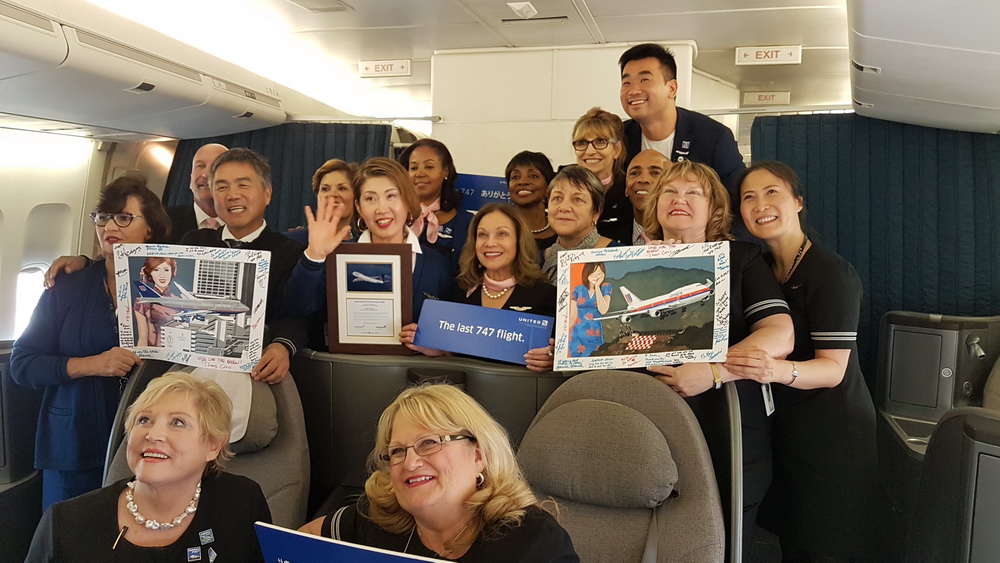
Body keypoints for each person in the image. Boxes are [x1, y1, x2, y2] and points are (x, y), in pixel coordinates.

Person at [642, 160, 794, 558]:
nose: (680, 200)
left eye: (694, 193)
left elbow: (780, 335)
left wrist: (714, 372)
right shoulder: (630, 263)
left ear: (715, 210)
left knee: (721, 543)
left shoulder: (741, 259)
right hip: (648, 430)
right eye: (671, 192)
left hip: (726, 428)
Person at [729, 161, 878, 561]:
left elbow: (834, 368)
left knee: (824, 547)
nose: (760, 204)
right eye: (748, 197)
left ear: (798, 202)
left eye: (771, 192)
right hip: (787, 430)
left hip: (833, 434)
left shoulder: (830, 273)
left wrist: (776, 369)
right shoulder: (757, 267)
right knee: (791, 542)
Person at [10, 177, 168, 509]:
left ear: (150, 229)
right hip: (72, 445)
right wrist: (93, 364)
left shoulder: (168, 288)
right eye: (102, 216)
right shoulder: (68, 286)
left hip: (147, 444)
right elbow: (22, 364)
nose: (110, 225)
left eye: (123, 217)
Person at [299, 383, 578, 562]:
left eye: (429, 443)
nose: (409, 463)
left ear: (478, 454)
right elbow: (295, 544)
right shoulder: (376, 519)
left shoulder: (534, 541)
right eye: (397, 451)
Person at [26, 372, 271, 561]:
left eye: (178, 422)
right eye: (144, 420)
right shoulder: (65, 523)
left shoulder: (243, 502)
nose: (153, 434)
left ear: (213, 446)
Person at [182, 148, 308, 384]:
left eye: (243, 185)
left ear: (267, 194)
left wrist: (282, 346)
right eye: (221, 187)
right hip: (193, 368)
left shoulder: (290, 252)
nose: (232, 195)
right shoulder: (193, 243)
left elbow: (295, 313)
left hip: (254, 373)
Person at [284, 157, 454, 323]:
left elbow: (449, 330)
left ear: (408, 201)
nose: (381, 209)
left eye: (391, 196)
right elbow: (298, 309)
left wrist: (431, 343)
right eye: (370, 199)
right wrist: (314, 255)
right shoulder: (337, 257)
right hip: (341, 353)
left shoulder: (438, 266)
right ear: (359, 207)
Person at [399, 203, 556, 372]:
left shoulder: (545, 295)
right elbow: (455, 351)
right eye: (482, 235)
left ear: (519, 240)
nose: (490, 243)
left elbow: (555, 356)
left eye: (502, 234)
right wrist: (434, 346)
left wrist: (553, 359)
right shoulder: (458, 292)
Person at [400, 139, 472, 272]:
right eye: (414, 168)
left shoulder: (466, 222)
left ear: (445, 171)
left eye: (429, 167)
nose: (420, 173)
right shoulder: (395, 217)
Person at [541, 165, 618, 283]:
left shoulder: (619, 257)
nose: (564, 207)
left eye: (577, 200)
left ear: (596, 212)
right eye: (557, 198)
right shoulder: (537, 260)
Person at [571, 107, 631, 245]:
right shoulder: (561, 185)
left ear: (617, 149)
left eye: (600, 142)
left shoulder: (629, 191)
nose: (590, 151)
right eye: (582, 143)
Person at [286, 158, 359, 245]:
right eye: (325, 189)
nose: (332, 194)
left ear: (356, 197)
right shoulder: (292, 240)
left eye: (342, 188)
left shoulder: (364, 243)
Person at [166, 143, 228, 243]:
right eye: (200, 166)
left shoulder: (247, 227)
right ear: (190, 178)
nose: (205, 175)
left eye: (216, 166)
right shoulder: (163, 221)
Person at [505, 151, 557, 256]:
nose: (522, 182)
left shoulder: (563, 230)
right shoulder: (500, 230)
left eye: (533, 176)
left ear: (548, 187)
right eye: (515, 177)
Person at [624, 149, 670, 245]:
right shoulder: (607, 240)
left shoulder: (688, 237)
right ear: (626, 189)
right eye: (635, 173)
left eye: (655, 173)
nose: (643, 179)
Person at [568, 262, 611, 357]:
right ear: (587, 273)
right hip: (577, 334)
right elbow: (572, 315)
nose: (596, 276)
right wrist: (563, 333)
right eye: (593, 273)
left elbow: (603, 310)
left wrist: (597, 287)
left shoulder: (606, 287)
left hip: (594, 333)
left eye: (599, 273)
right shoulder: (578, 289)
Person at [134, 257, 179, 347]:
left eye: (166, 270)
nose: (162, 275)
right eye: (156, 270)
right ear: (150, 272)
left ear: (173, 272)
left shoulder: (179, 302)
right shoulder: (141, 302)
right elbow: (142, 339)